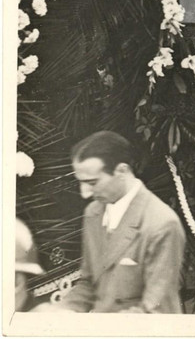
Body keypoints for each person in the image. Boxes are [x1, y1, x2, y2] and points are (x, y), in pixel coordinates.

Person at [59, 131, 185, 313]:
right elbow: (88, 282)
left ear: (121, 171)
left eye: (92, 182)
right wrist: (62, 310)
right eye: (81, 182)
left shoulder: (162, 223)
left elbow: (156, 310)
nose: (84, 193)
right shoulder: (93, 213)